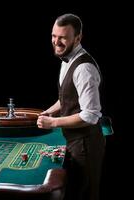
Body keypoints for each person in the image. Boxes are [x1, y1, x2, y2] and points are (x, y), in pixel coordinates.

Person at [37, 14, 106, 200]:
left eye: (62, 37)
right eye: (53, 36)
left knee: (84, 195)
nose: (56, 42)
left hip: (86, 144)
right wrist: (48, 112)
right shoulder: (66, 59)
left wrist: (52, 123)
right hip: (74, 140)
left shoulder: (84, 69)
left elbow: (90, 115)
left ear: (78, 38)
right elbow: (67, 98)